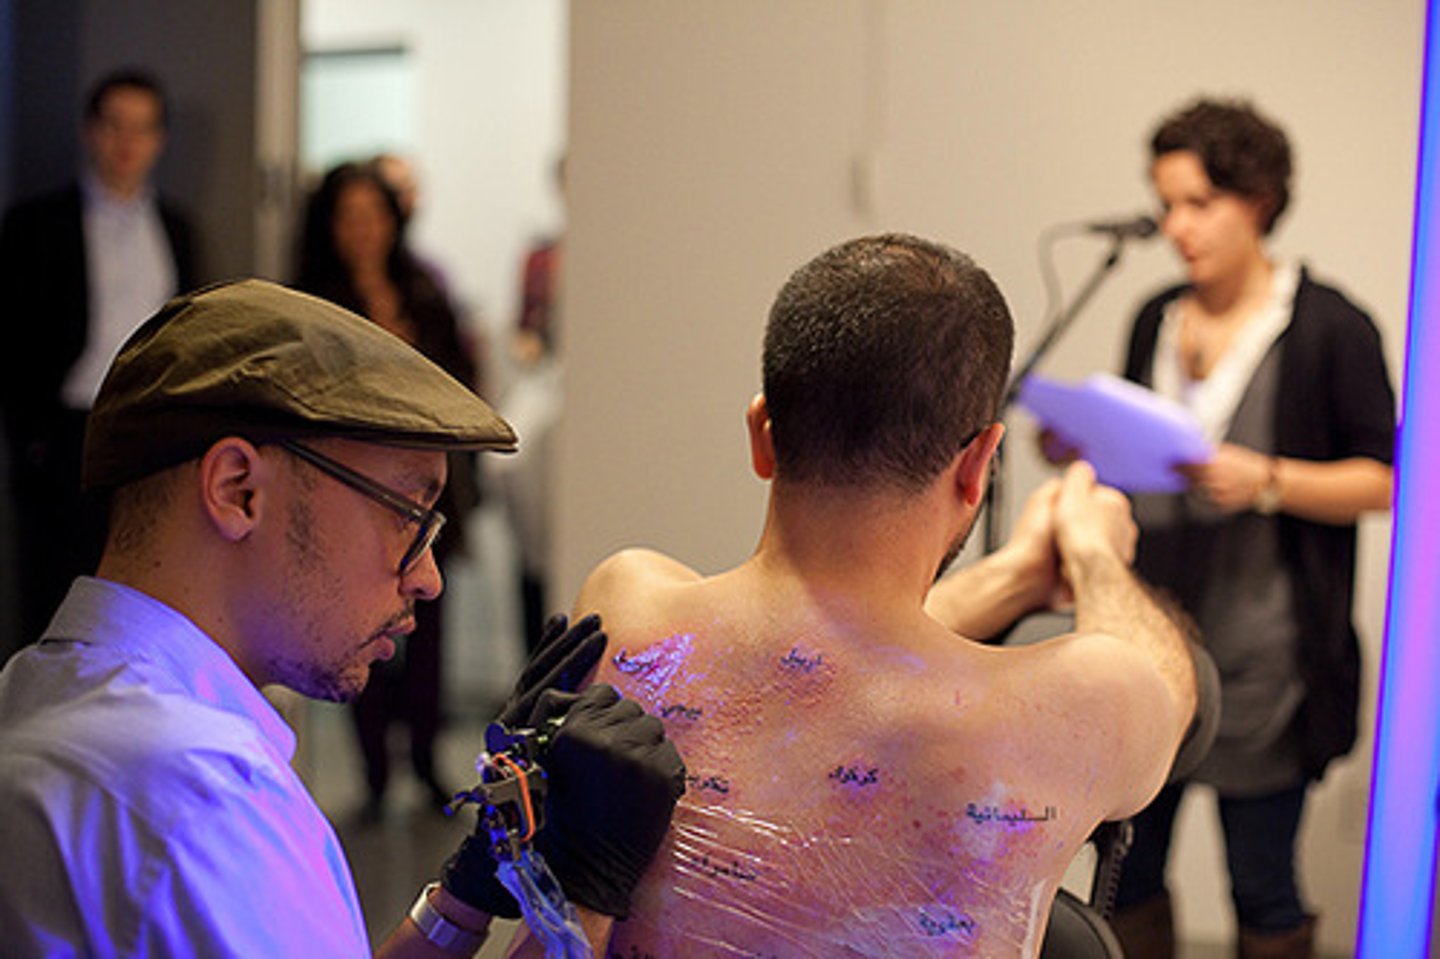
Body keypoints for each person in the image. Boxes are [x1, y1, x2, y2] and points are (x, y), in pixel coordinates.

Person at [0, 279, 685, 957]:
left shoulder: (33, 693)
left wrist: (466, 895)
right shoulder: (202, 794)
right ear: (239, 490)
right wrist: (584, 892)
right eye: (408, 514)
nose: (428, 577)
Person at [571, 233, 1201, 956]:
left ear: (763, 434)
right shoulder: (1083, 706)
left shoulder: (628, 608)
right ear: (979, 464)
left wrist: (1012, 578)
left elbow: (826, 671)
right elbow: (1171, 684)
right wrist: (1095, 554)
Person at [1094, 98, 1396, 959]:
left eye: (1199, 203)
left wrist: (1267, 479)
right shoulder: (1155, 315)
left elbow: (1389, 479)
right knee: (1126, 873)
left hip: (1270, 662)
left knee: (1261, 879)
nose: (1176, 227)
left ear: (1258, 199)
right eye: (1166, 205)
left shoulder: (1329, 326)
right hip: (1151, 651)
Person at [295, 161, 480, 817]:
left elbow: (463, 379)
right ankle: (374, 770)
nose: (363, 230)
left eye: (373, 215)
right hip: (352, 487)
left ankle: (426, 762)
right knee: (358, 619)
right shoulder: (314, 303)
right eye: (349, 217)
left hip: (428, 483)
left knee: (428, 626)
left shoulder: (423, 289)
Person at [0, 68, 198, 649]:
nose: (126, 142)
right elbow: (12, 339)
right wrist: (31, 437)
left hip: (151, 436)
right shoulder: (37, 224)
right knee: (56, 595)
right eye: (114, 125)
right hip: (67, 434)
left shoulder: (176, 228)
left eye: (141, 128)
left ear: (159, 139)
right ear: (90, 131)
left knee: (144, 595)